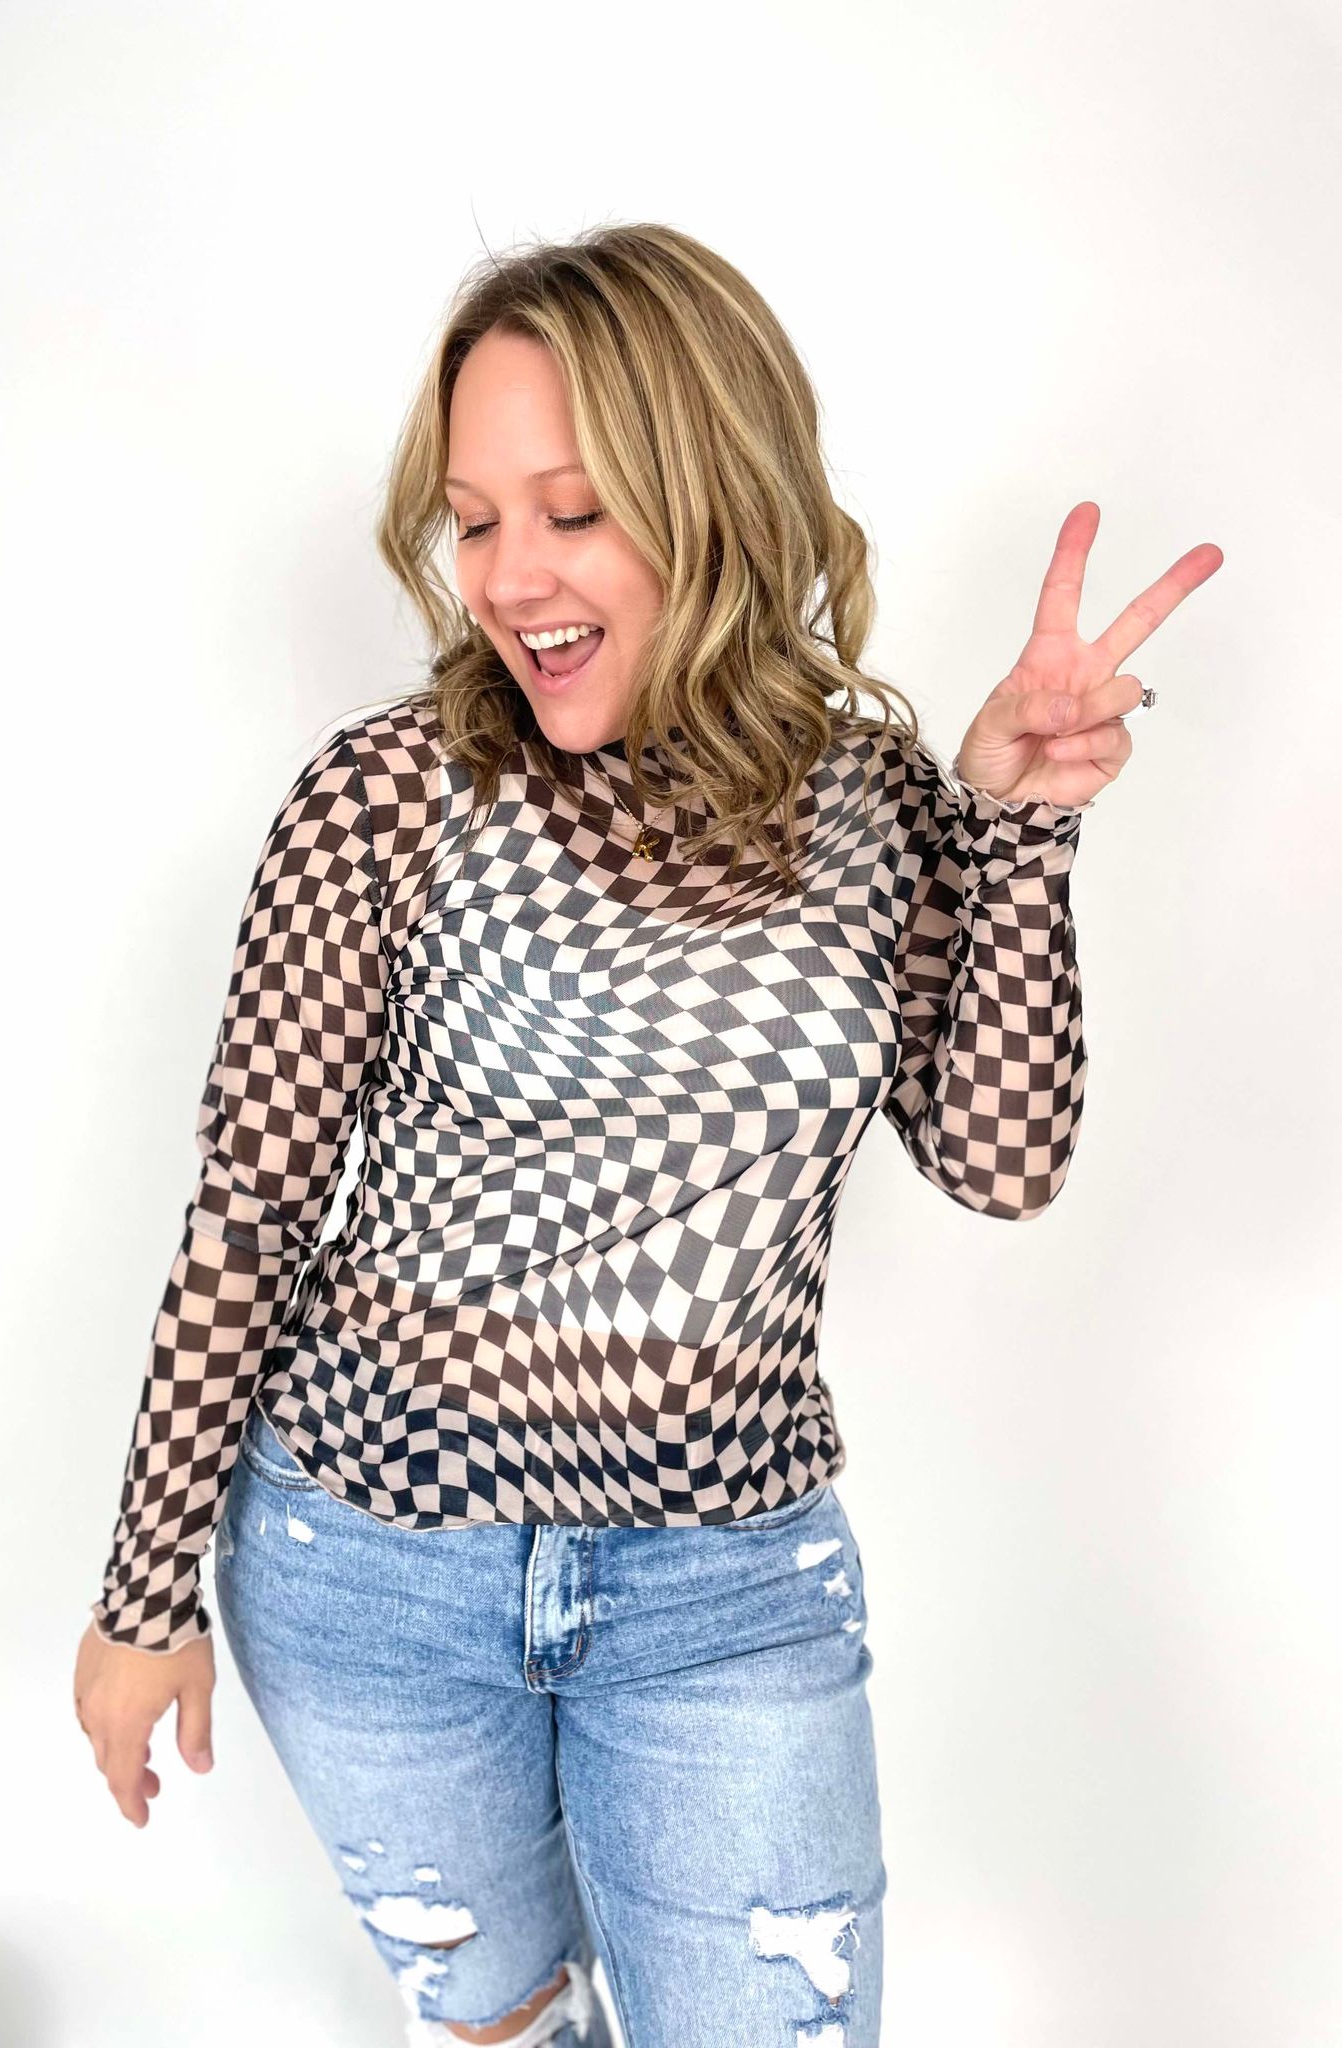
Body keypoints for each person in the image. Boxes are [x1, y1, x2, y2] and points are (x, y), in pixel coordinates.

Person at [72, 222, 1221, 2048]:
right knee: (511, 2030)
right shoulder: (386, 797)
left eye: (576, 509)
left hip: (724, 1589)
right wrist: (144, 1598)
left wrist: (1017, 832)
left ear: (717, 496)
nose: (509, 577)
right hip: (370, 1574)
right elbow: (248, 1217)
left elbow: (1001, 1161)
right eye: (474, 521)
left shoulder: (871, 804)